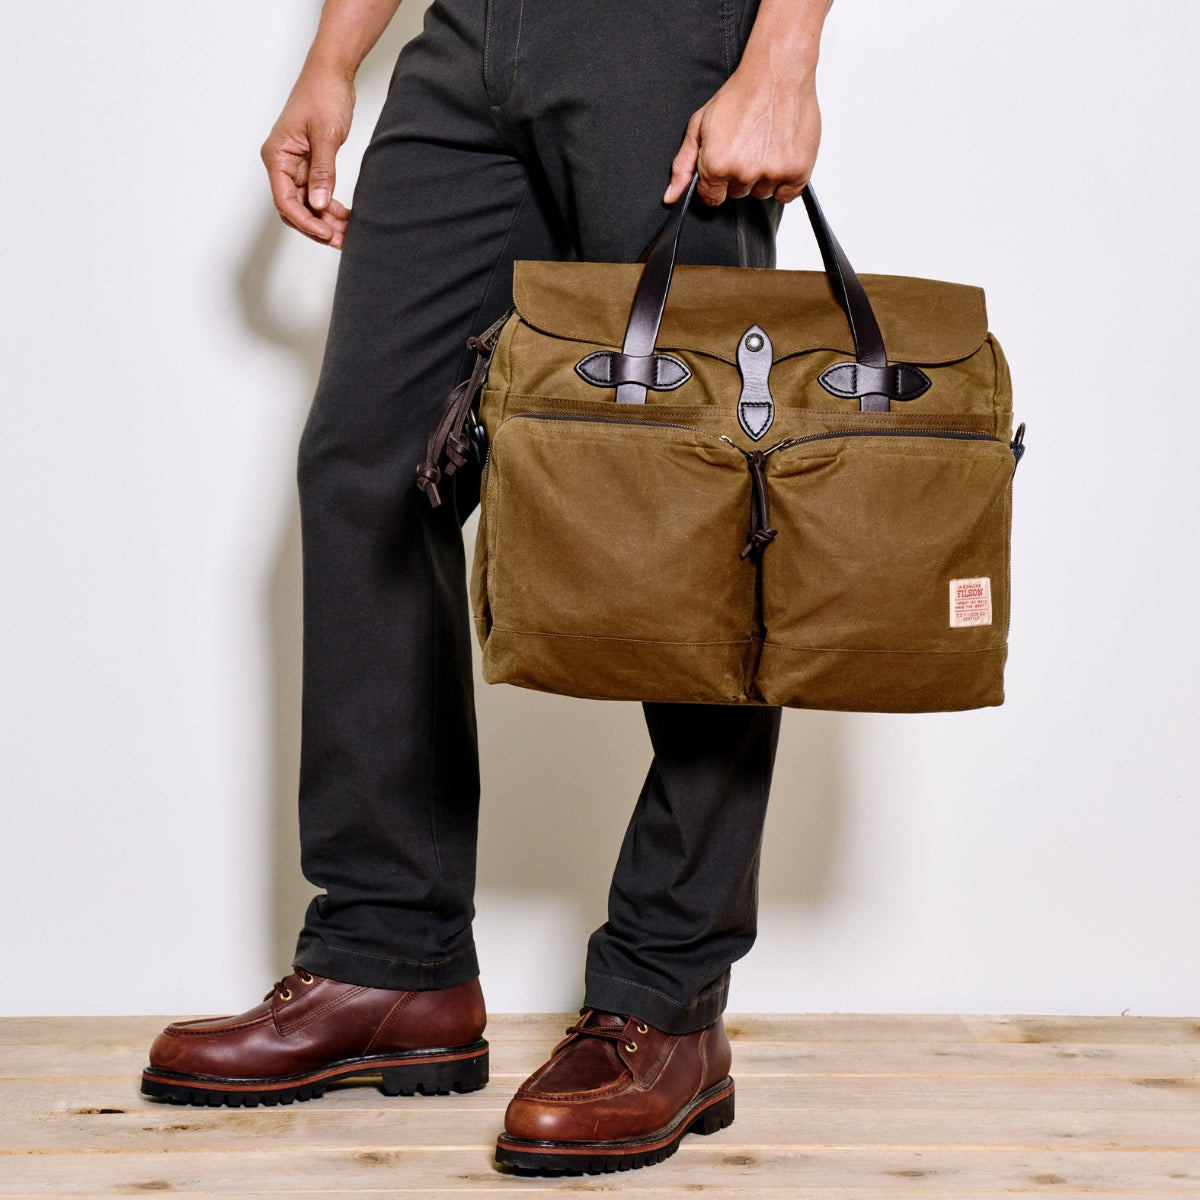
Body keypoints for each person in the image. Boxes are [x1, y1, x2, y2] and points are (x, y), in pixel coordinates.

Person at [142, 0, 833, 1175]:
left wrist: (783, 54)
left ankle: (667, 997)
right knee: (369, 468)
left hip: (666, 40)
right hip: (466, 40)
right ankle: (389, 960)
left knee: (699, 495)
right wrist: (333, 59)